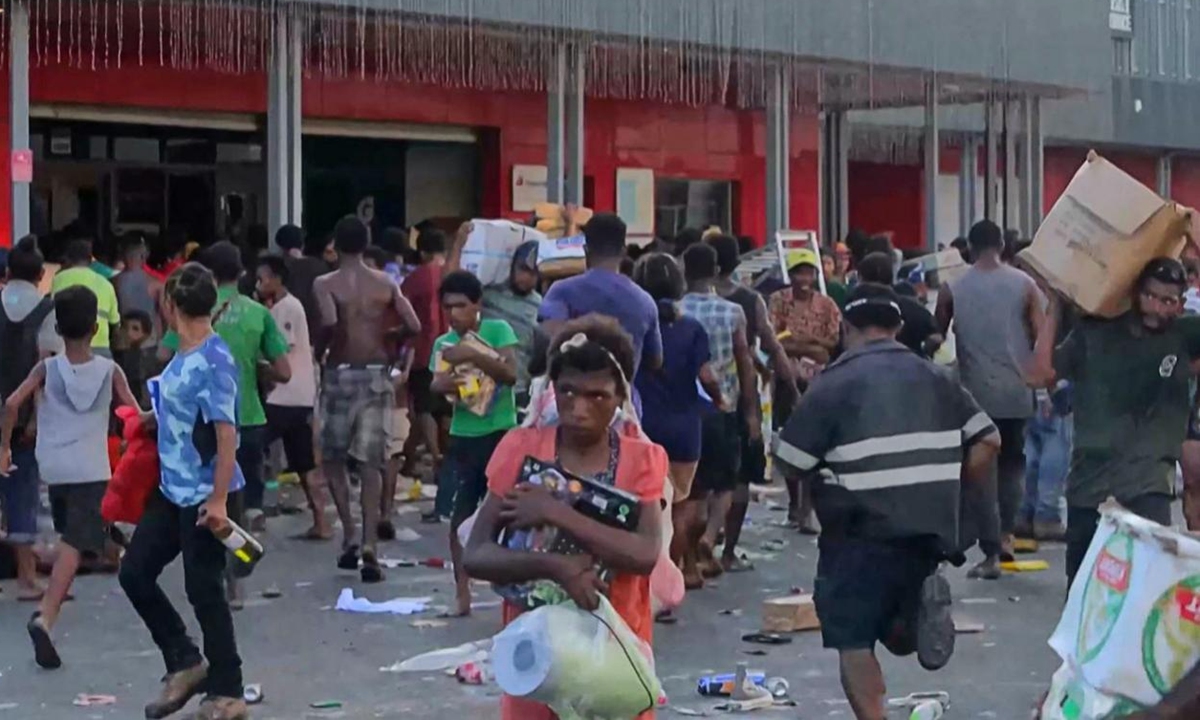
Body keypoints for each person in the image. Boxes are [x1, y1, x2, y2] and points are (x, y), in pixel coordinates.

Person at [773, 284, 1000, 720]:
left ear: (844, 327)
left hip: (859, 535)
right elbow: (989, 440)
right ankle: (911, 619)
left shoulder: (833, 383)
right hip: (928, 532)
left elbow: (791, 464)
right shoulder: (937, 377)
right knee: (896, 604)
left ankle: (877, 711)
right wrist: (949, 486)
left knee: (853, 636)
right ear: (897, 328)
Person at [463, 315, 665, 720]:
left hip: (612, 647)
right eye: (567, 392)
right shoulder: (522, 448)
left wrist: (556, 512)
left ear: (621, 397)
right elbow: (476, 555)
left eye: (597, 396)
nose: (579, 409)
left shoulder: (641, 460)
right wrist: (556, 566)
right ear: (552, 389)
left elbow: (644, 554)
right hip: (535, 652)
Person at [118, 263, 248, 720]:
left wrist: (217, 500)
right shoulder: (183, 353)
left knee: (204, 588)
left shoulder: (214, 359)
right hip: (170, 487)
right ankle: (185, 661)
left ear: (170, 306)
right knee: (135, 572)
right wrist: (151, 421)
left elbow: (226, 434)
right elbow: (182, 410)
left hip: (202, 492)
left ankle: (229, 690)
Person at [1027, 257, 1200, 586]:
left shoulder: (1183, 334)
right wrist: (1055, 308)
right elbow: (1037, 375)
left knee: (1147, 590)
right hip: (1089, 486)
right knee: (1082, 590)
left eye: (1168, 301)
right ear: (1135, 293)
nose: (1157, 308)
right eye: (1150, 296)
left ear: (1180, 304)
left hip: (1147, 486)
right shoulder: (1094, 333)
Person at [0, 285, 140, 669]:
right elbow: (134, 415)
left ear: (58, 330)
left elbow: (12, 403)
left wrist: (5, 448)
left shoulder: (46, 368)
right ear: (95, 329)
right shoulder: (110, 370)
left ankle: (106, 543)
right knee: (75, 545)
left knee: (73, 534)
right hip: (91, 469)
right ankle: (45, 618)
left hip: (52, 467)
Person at [313, 216, 420, 582]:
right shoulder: (385, 282)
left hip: (341, 374)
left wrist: (322, 350)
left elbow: (328, 321)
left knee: (333, 458)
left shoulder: (326, 283)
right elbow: (415, 325)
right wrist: (390, 337)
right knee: (372, 463)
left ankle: (349, 534)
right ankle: (371, 543)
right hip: (377, 375)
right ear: (366, 243)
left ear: (335, 246)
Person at [936, 219, 1043, 580]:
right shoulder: (1025, 284)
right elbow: (1041, 335)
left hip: (973, 396)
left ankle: (990, 551)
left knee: (981, 473)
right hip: (1017, 393)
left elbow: (937, 338)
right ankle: (1006, 537)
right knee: (1013, 465)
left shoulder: (953, 286)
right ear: (1002, 246)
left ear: (968, 247)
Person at [166, 241, 292, 533]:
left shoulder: (193, 310)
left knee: (208, 503)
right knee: (247, 502)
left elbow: (165, 357)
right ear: (242, 272)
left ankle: (221, 564)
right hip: (248, 417)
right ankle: (242, 556)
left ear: (208, 273)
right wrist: (257, 368)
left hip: (202, 422)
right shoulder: (259, 313)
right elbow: (285, 372)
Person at [429, 270, 519, 616]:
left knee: (510, 517)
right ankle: (461, 593)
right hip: (464, 436)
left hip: (501, 435)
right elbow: (437, 385)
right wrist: (465, 379)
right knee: (460, 517)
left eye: (461, 306)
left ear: (477, 305)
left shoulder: (498, 331)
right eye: (448, 307)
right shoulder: (442, 343)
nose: (454, 314)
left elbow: (510, 375)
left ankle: (511, 594)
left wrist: (473, 356)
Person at [633, 252, 723, 587]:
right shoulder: (691, 328)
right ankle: (671, 574)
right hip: (685, 427)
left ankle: (653, 575)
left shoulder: (636, 323)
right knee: (682, 504)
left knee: (649, 502)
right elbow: (707, 376)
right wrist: (721, 401)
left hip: (642, 425)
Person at [708, 233, 794, 571]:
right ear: (736, 263)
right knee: (740, 475)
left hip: (697, 401)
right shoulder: (749, 300)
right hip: (743, 398)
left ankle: (696, 548)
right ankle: (728, 551)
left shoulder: (687, 301)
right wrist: (792, 387)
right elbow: (772, 346)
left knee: (701, 481)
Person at [678, 244, 759, 583]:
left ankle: (688, 557)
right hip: (723, 406)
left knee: (691, 490)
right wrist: (752, 412)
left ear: (685, 271)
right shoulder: (732, 312)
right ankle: (710, 537)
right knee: (725, 482)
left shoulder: (674, 310)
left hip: (684, 408)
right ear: (714, 272)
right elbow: (746, 364)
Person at [539, 213, 663, 405]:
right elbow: (655, 360)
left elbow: (548, 338)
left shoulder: (562, 290)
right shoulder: (645, 301)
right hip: (624, 406)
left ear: (586, 249)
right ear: (623, 252)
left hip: (571, 405)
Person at [0, 236, 60, 602]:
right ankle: (26, 576)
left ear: (7, 273)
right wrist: (39, 417)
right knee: (23, 492)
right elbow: (48, 369)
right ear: (41, 275)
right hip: (26, 416)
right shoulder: (47, 310)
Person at [256, 255, 329, 541]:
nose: (259, 284)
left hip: (284, 396)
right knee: (304, 463)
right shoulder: (283, 307)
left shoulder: (284, 310)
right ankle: (321, 521)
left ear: (276, 279)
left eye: (262, 278)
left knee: (248, 448)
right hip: (299, 395)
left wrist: (259, 367)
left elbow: (279, 354)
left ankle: (251, 512)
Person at [402, 227, 451, 499]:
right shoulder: (456, 273)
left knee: (424, 407)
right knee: (446, 408)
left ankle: (435, 457)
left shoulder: (415, 278)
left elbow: (402, 314)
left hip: (424, 351)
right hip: (455, 348)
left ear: (421, 252)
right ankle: (433, 457)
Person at [856, 252, 942, 357]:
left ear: (861, 278)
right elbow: (936, 337)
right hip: (911, 367)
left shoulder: (857, 311)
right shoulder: (913, 308)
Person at [51, 238, 120, 357]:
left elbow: (53, 312)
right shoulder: (106, 284)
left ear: (67, 259)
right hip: (100, 346)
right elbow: (115, 323)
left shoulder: (59, 279)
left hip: (68, 347)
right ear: (91, 261)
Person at [275, 223, 330, 341]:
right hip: (316, 332)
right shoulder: (320, 267)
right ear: (302, 244)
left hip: (287, 333)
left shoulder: (279, 269)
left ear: (280, 247)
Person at [113, 233, 161, 344]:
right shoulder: (156, 283)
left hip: (124, 336)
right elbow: (162, 316)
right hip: (149, 338)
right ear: (144, 257)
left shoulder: (114, 282)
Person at [116, 309, 155, 408]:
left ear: (146, 335)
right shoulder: (112, 358)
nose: (128, 333)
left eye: (135, 329)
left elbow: (169, 348)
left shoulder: (150, 356)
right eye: (124, 327)